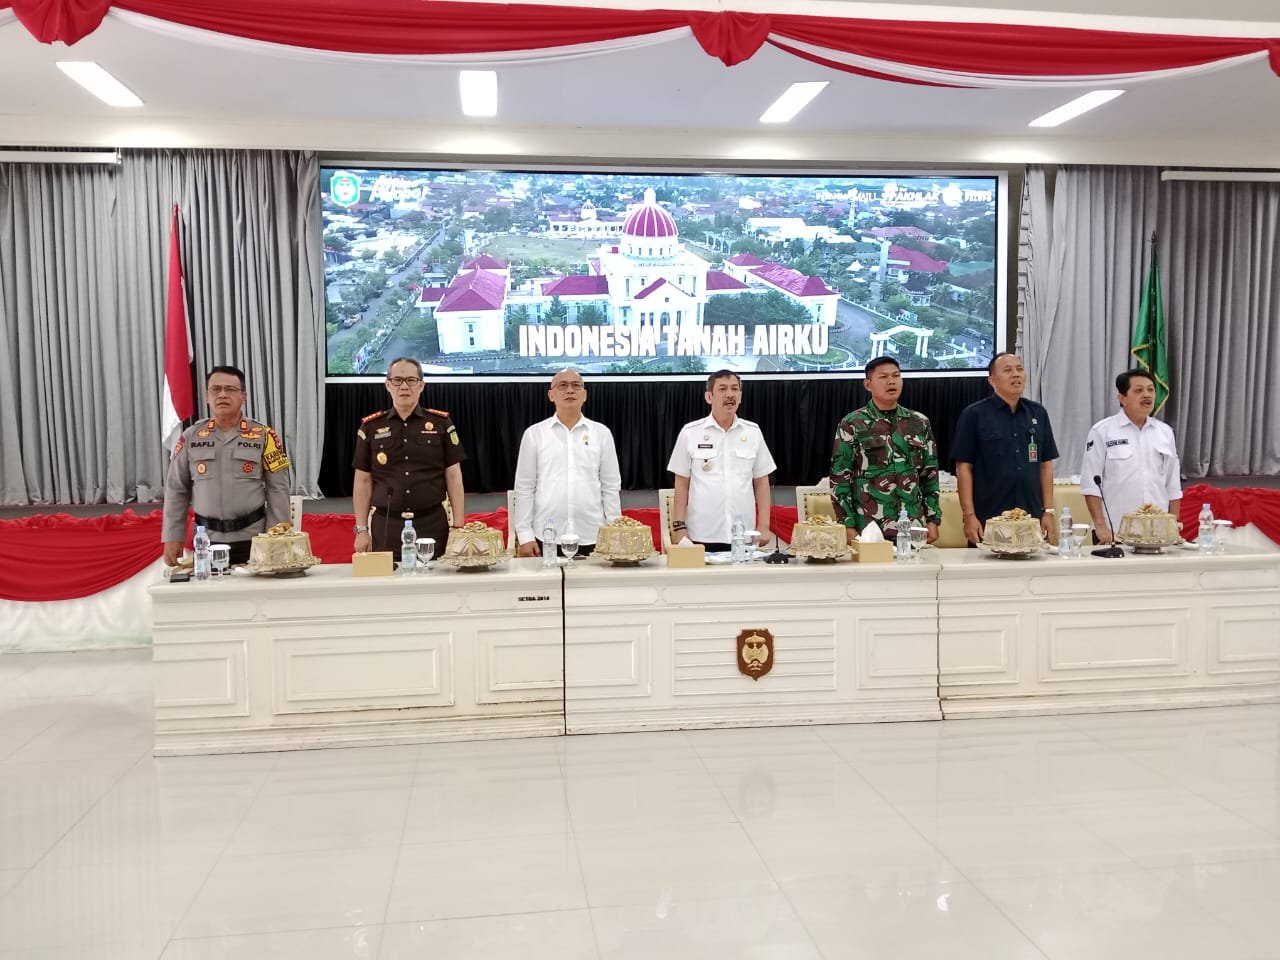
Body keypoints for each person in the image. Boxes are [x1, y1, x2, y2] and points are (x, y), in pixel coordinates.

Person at [162, 365, 291, 566]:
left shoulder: (265, 436)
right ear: (207, 396)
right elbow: (176, 489)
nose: (222, 395)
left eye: (230, 389)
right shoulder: (190, 437)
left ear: (243, 396)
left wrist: (276, 537)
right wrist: (172, 536)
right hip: (206, 541)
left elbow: (278, 489)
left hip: (254, 539)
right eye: (215, 389)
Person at [352, 357, 466, 557]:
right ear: (388, 385)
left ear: (421, 385)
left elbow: (453, 476)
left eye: (411, 380)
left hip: (431, 524)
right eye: (397, 380)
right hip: (387, 525)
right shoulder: (371, 427)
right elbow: (363, 481)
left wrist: (458, 526)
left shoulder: (441, 424)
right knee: (387, 578)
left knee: (437, 575)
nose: (404, 386)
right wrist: (361, 529)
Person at [829, 356, 942, 545]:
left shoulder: (919, 422)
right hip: (869, 527)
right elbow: (840, 478)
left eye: (896, 376)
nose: (891, 381)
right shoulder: (853, 423)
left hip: (912, 525)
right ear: (868, 384)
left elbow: (929, 475)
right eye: (883, 377)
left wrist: (932, 518)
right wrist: (846, 523)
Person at [952, 352, 1060, 545]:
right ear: (992, 380)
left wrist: (1049, 511)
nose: (1016, 374)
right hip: (989, 517)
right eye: (1007, 370)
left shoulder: (1038, 413)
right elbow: (963, 468)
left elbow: (1045, 465)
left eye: (1019, 369)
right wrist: (969, 515)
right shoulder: (974, 415)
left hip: (1030, 516)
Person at [513, 368, 622, 558]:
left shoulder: (601, 433)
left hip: (593, 534)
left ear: (584, 395)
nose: (570, 390)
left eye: (576, 385)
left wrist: (614, 530)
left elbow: (610, 486)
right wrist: (525, 535)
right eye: (562, 385)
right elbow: (524, 488)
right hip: (546, 536)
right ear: (551, 395)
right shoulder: (534, 434)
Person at [667, 369, 776, 551]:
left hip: (743, 535)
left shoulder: (753, 432)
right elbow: (682, 483)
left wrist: (764, 526)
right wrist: (679, 527)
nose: (730, 395)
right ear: (709, 397)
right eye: (723, 389)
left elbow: (761, 482)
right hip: (702, 534)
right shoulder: (690, 433)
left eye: (735, 389)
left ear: (740, 396)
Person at [1080, 368, 1183, 544]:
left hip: (1157, 531)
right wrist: (1100, 526)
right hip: (1114, 531)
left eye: (1150, 390)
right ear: (1122, 398)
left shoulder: (1165, 432)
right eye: (1138, 390)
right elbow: (1091, 484)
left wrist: (1173, 524)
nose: (1147, 395)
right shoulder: (1102, 431)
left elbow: (1173, 484)